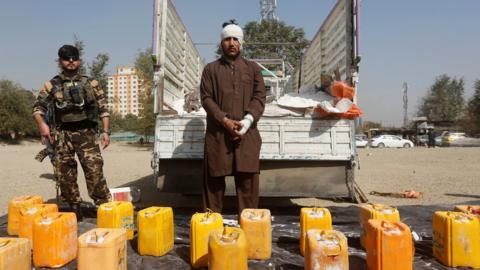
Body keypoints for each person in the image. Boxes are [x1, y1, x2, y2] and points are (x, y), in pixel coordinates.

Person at [32, 45, 111, 218]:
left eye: (74, 58)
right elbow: (38, 108)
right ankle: (74, 208)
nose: (71, 61)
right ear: (60, 61)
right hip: (62, 135)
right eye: (67, 58)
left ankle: (104, 207)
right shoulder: (51, 85)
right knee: (65, 174)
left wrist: (105, 132)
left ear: (79, 60)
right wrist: (42, 126)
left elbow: (104, 108)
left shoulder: (91, 83)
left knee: (94, 170)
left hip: (86, 133)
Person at [200, 21, 266, 216]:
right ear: (221, 43)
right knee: (213, 184)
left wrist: (246, 122)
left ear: (241, 43)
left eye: (235, 39)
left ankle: (249, 227)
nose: (231, 43)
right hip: (218, 135)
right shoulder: (210, 70)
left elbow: (260, 97)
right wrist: (224, 120)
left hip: (247, 135)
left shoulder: (253, 69)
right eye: (227, 39)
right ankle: (211, 228)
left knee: (248, 185)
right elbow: (206, 98)